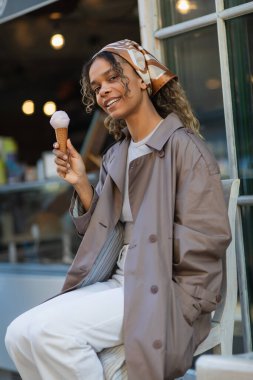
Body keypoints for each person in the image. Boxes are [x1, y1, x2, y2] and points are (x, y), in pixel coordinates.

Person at [5, 39, 231, 380]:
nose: (103, 90)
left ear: (142, 78)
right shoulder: (117, 155)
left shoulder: (184, 148)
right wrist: (82, 183)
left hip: (165, 288)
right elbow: (105, 233)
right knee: (18, 334)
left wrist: (168, 286)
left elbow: (207, 239)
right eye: (97, 86)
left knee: (53, 335)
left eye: (113, 77)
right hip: (119, 281)